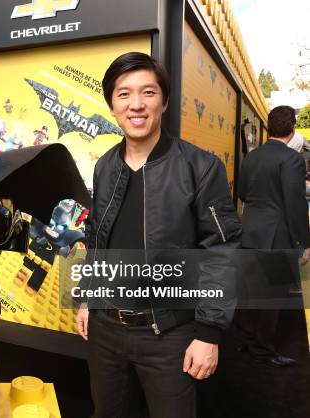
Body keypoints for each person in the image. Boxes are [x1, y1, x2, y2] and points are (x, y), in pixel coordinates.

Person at [75, 52, 241, 418]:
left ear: (164, 102)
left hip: (170, 334)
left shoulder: (200, 167)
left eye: (148, 92)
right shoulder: (104, 166)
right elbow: (97, 239)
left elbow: (222, 251)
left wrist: (209, 332)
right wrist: (87, 299)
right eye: (124, 94)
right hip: (106, 331)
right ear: (112, 105)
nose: (136, 104)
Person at [237, 105, 310, 367]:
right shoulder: (292, 159)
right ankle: (264, 350)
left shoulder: (252, 157)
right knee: (272, 297)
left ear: (268, 127)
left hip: (248, 233)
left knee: (248, 293)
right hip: (276, 237)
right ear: (292, 129)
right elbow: (295, 203)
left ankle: (246, 341)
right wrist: (303, 243)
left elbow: (243, 193)